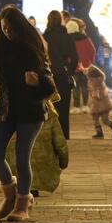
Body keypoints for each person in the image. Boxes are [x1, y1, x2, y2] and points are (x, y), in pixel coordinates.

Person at [0, 5, 56, 222]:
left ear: (19, 28)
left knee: (22, 157)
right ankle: (10, 194)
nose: (8, 32)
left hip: (30, 110)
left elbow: (49, 86)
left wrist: (37, 82)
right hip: (6, 109)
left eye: (11, 28)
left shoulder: (32, 49)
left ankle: (23, 202)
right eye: (3, 28)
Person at [0, 99, 68, 198]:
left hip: (10, 165)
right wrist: (63, 163)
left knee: (16, 154)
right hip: (40, 167)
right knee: (27, 156)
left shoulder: (6, 111)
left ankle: (14, 188)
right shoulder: (49, 115)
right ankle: (28, 191)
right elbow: (60, 144)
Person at [43, 10, 78, 139]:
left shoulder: (45, 37)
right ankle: (64, 134)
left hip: (48, 75)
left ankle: (51, 135)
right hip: (63, 75)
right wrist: (70, 71)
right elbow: (74, 57)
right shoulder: (67, 37)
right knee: (63, 106)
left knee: (49, 105)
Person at [87, 65, 112, 139]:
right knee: (103, 119)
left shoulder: (95, 83)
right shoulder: (99, 81)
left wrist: (94, 96)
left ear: (92, 76)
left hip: (99, 104)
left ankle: (102, 132)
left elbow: (98, 94)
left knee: (99, 119)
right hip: (103, 104)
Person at [67, 19, 95, 113]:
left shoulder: (68, 39)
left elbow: (67, 54)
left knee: (75, 87)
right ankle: (85, 106)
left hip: (73, 66)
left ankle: (76, 106)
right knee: (84, 86)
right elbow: (92, 51)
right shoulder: (86, 38)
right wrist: (89, 61)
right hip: (85, 66)